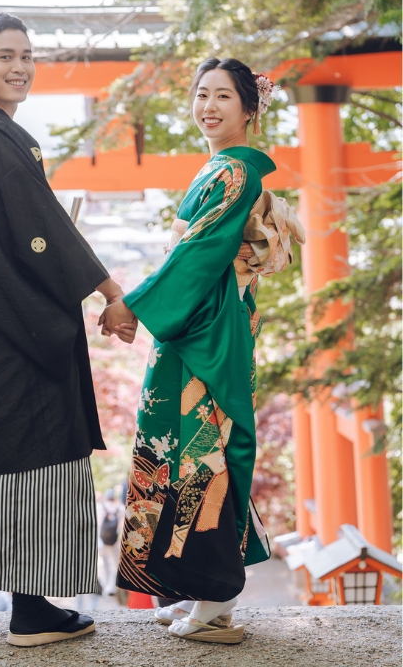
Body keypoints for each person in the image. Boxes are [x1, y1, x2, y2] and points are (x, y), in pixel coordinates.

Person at [0, 12, 137, 648]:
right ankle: (33, 609)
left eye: (27, 56)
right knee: (35, 464)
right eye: (5, 55)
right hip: (8, 342)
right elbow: (45, 235)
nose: (19, 67)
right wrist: (110, 291)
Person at [101, 58, 278, 644]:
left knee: (203, 448)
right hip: (203, 320)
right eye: (201, 95)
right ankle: (203, 592)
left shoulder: (233, 174)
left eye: (223, 96)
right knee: (182, 443)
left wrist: (133, 304)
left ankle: (218, 593)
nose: (208, 106)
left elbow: (198, 255)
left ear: (250, 109)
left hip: (209, 325)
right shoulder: (222, 169)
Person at [98, 488, 122, 595]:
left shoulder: (99, 507)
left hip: (101, 540)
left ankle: (103, 585)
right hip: (114, 541)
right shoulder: (120, 508)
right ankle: (111, 588)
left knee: (103, 564)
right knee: (113, 564)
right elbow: (121, 527)